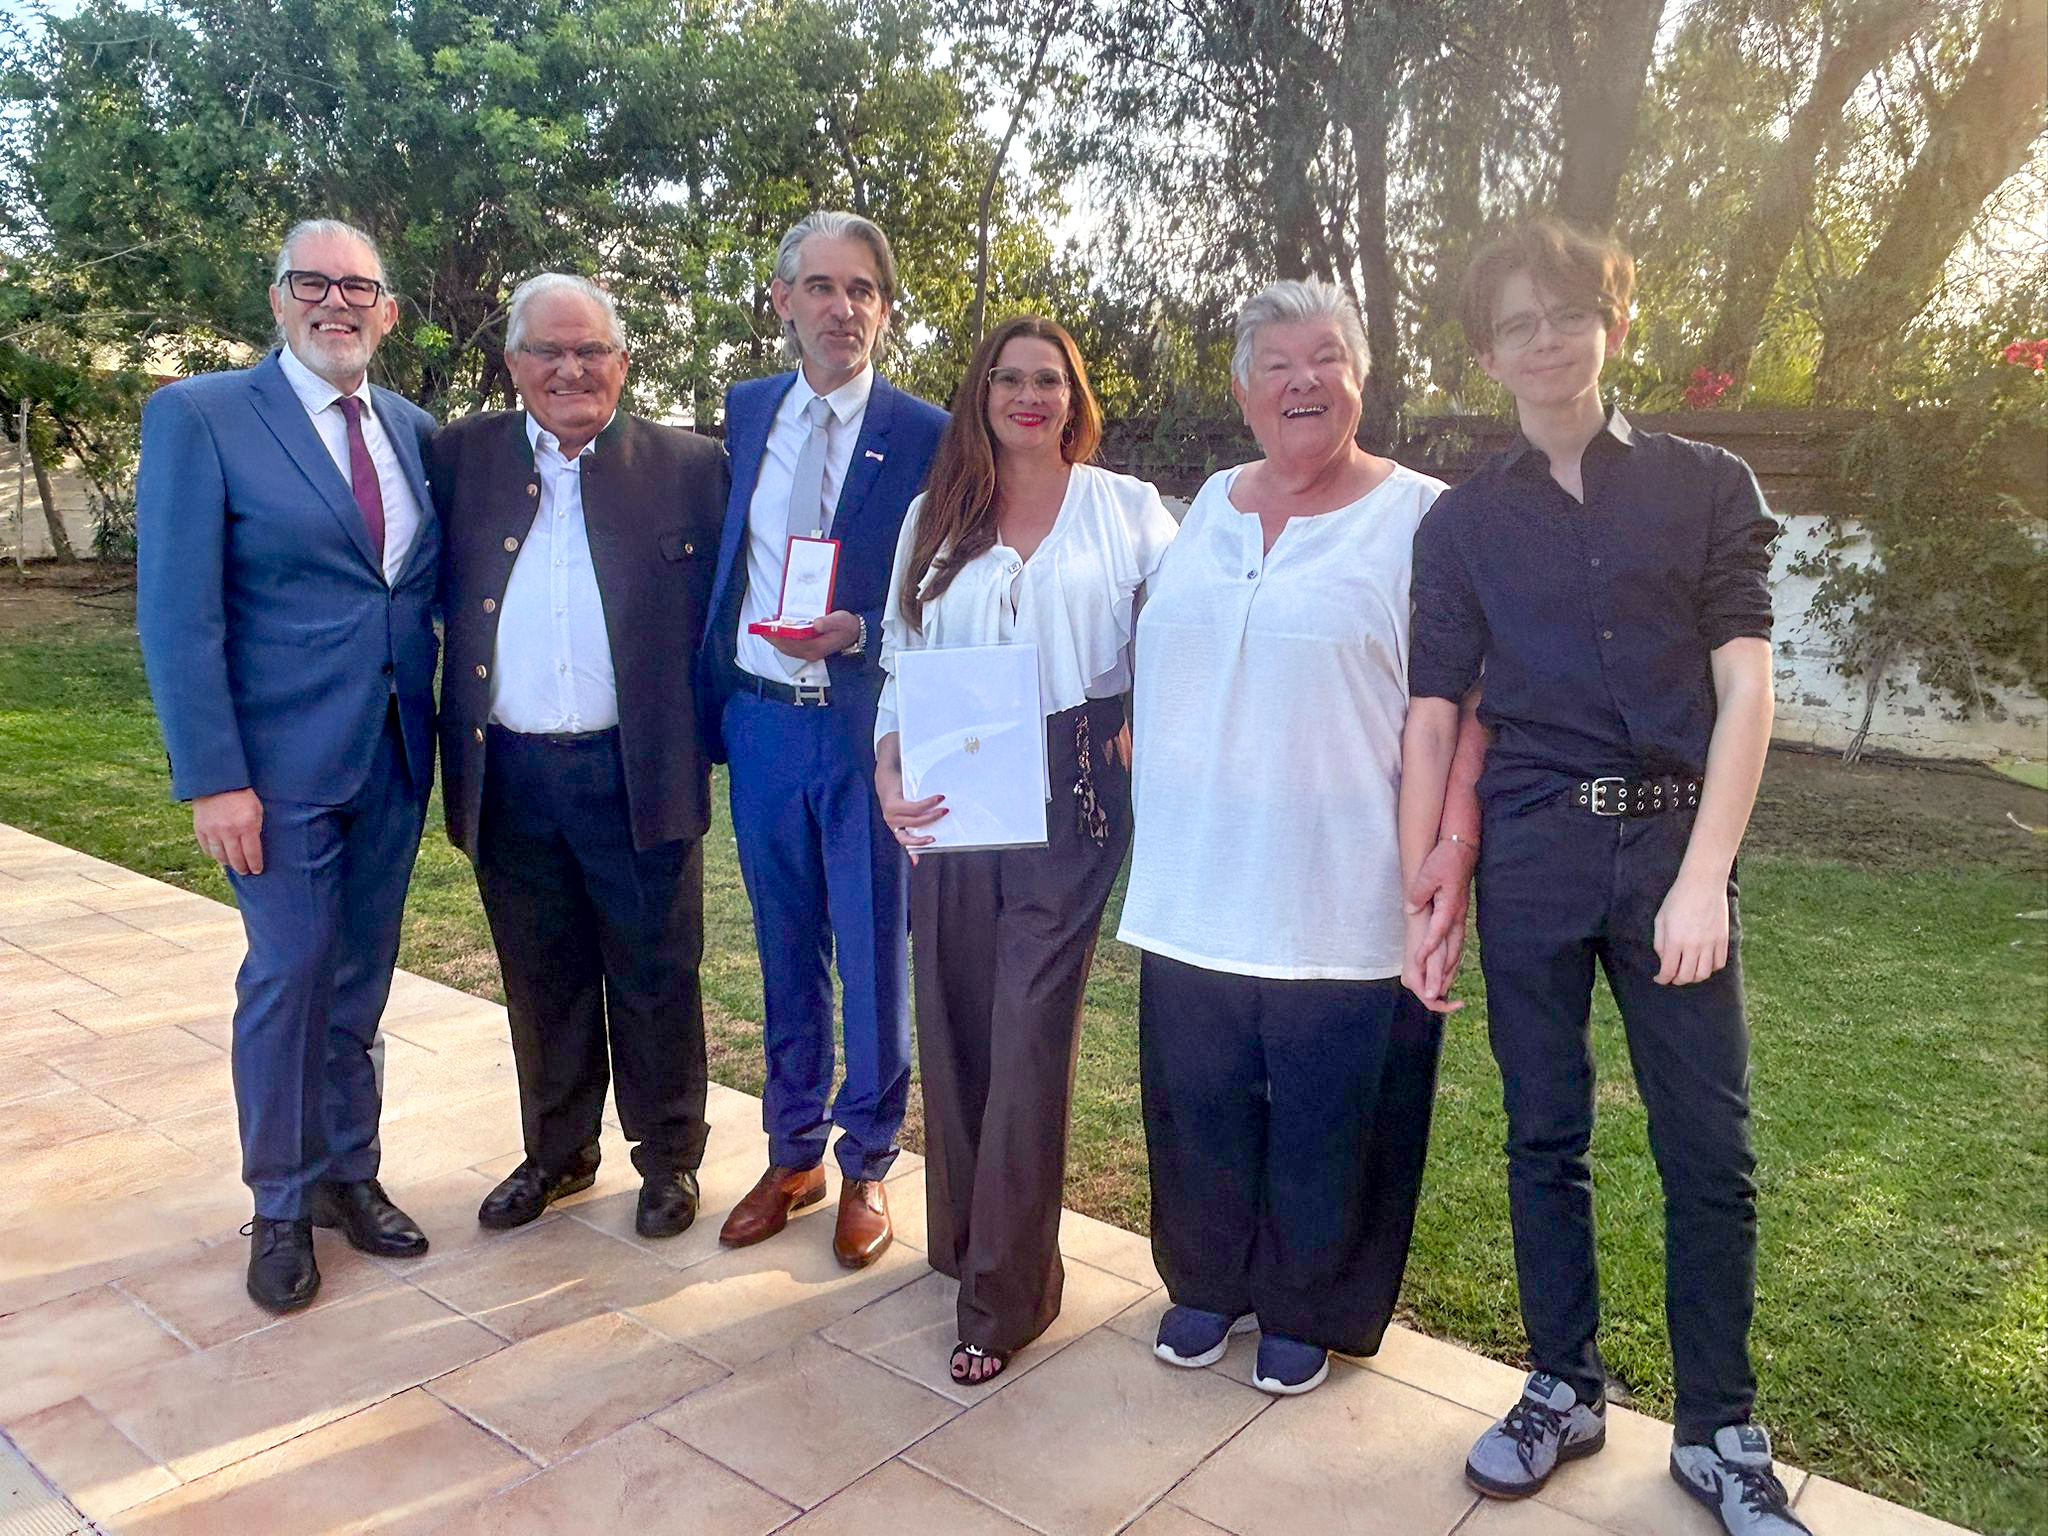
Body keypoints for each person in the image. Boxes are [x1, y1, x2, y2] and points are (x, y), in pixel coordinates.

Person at [1398, 219, 1804, 1536]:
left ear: (1613, 325)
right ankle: (1562, 1389)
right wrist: (1426, 889)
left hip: (1673, 851)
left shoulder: (1707, 485)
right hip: (1532, 853)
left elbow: (1747, 690)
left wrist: (1703, 877)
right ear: (1486, 354)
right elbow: (1435, 714)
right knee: (1542, 1134)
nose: (1545, 341)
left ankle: (1718, 1431)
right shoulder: (1463, 524)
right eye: (1516, 324)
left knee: (1709, 1150)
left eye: (1567, 314)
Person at [1116, 279, 1483, 1396]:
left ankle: (1310, 1303)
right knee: (1197, 1097)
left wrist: (1453, 844)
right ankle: (1207, 1281)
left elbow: (1470, 703)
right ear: (1242, 392)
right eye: (1275, 365)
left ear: (1361, 379)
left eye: (1325, 358)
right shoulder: (1207, 504)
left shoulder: (1424, 516)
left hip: (1345, 880)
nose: (1301, 382)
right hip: (1193, 875)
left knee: (1337, 1112)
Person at [136, 218, 438, 1312]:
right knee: (289, 971)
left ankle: (348, 1176)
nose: (335, 302)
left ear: (386, 312)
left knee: (359, 976)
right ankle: (278, 1201)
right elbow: (177, 614)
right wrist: (213, 777)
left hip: (394, 754)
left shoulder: (412, 430)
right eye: (312, 282)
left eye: (357, 287)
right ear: (277, 299)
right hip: (274, 772)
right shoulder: (202, 416)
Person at [874, 316, 1177, 1385]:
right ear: (981, 393)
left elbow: (1180, 630)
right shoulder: (934, 513)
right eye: (1008, 377)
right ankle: (964, 1240)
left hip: (1077, 778)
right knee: (956, 1012)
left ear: (1074, 396)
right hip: (958, 771)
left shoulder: (1127, 509)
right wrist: (888, 771)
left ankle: (1004, 1298)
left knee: (1028, 1025)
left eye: (1049, 379)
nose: (1029, 395)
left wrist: (1146, 712)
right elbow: (899, 653)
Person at [431, 274, 729, 1241]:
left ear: (622, 363)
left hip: (637, 769)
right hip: (510, 772)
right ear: (513, 363)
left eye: (591, 350)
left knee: (657, 973)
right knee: (540, 975)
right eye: (548, 351)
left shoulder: (691, 466)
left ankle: (669, 1159)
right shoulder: (461, 457)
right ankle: (558, 1152)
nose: (571, 369)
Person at [697, 212, 948, 1268]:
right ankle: (792, 1153)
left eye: (861, 290)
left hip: (862, 731)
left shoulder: (928, 432)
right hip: (760, 721)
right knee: (783, 945)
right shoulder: (748, 409)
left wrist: (863, 633)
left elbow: (945, 581)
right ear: (783, 301)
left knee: (874, 950)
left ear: (883, 309)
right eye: (820, 287)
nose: (841, 309)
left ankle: (868, 1163)